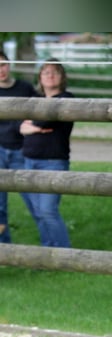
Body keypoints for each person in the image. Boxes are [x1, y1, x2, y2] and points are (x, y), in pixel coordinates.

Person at [19, 58, 73, 248]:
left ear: (62, 77)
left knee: (48, 210)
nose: (50, 76)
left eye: (55, 72)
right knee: (37, 211)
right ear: (40, 77)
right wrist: (33, 127)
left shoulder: (67, 98)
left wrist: (33, 125)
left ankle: (64, 254)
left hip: (53, 162)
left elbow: (46, 121)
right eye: (46, 72)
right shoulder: (35, 100)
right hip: (29, 161)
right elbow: (21, 127)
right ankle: (47, 252)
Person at [0, 50, 37, 243]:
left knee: (35, 201)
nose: (1, 70)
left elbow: (40, 111)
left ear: (10, 65)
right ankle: (4, 250)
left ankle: (52, 247)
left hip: (22, 151)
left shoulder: (25, 88)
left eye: (3, 64)